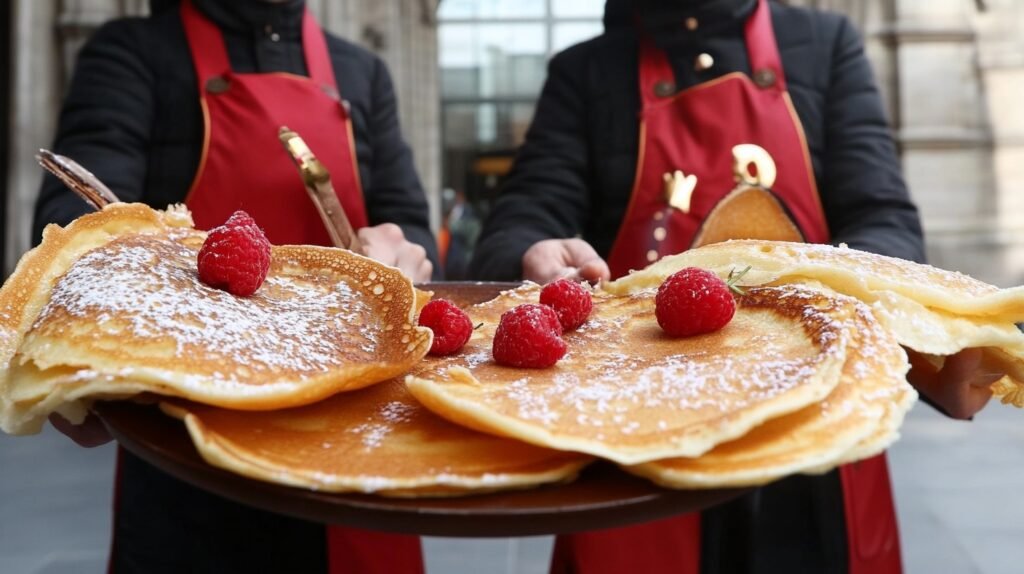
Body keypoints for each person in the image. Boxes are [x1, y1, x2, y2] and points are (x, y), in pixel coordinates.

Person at [469, 1, 1000, 573]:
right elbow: (526, 211)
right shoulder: (589, 69)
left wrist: (854, 291)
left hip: (809, 402)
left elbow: (882, 212)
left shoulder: (823, 44)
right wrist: (534, 249)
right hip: (638, 414)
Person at [33, 0, 437, 572]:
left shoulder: (360, 71)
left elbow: (409, 219)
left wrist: (405, 253)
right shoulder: (136, 52)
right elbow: (79, 224)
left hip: (355, 434)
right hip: (191, 441)